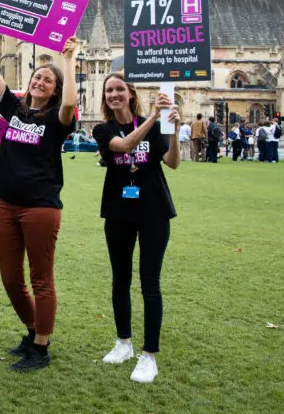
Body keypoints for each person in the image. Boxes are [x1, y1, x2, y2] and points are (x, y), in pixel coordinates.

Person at [0, 13, 79, 372]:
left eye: (48, 80)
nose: (40, 81)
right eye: (37, 77)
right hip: (6, 204)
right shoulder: (14, 111)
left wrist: (68, 59)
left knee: (41, 279)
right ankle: (32, 332)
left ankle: (42, 348)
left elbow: (68, 104)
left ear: (55, 89)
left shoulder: (57, 120)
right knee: (10, 279)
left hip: (40, 208)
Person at [93, 73, 181, 385]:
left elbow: (172, 162)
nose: (114, 94)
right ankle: (123, 343)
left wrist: (174, 130)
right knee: (120, 280)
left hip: (153, 211)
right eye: (109, 90)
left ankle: (149, 356)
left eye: (119, 89)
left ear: (130, 94)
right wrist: (155, 116)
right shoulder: (102, 129)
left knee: (150, 283)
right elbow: (124, 145)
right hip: (118, 211)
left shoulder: (153, 123)